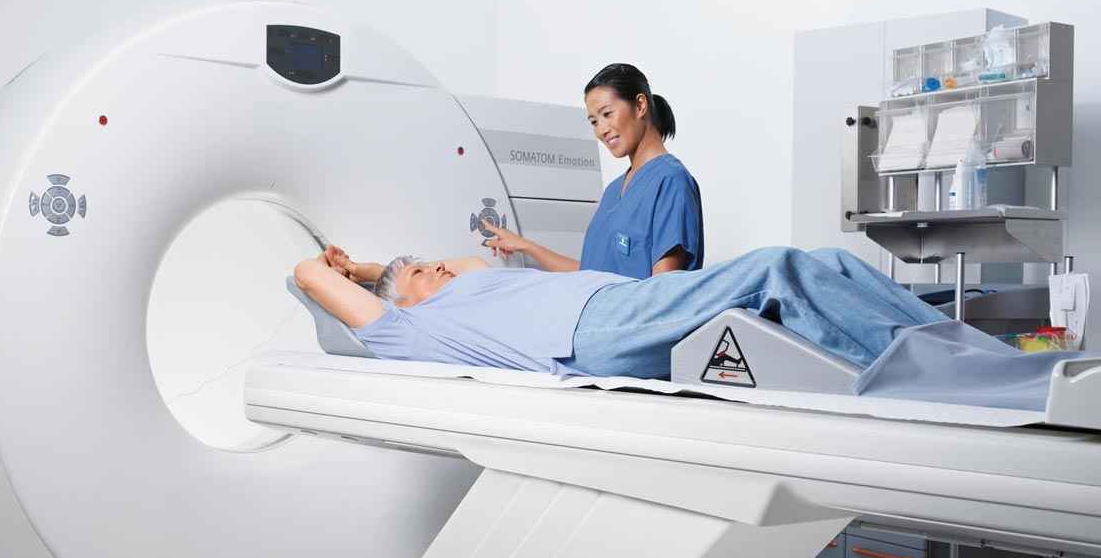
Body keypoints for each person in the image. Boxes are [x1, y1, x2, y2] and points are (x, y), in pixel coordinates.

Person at [294, 245, 946, 379]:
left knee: (827, 263)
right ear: (399, 301)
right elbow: (307, 274)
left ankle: (957, 349)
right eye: (418, 272)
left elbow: (460, 262)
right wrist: (351, 273)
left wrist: (388, 268)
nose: (436, 267)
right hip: (591, 327)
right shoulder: (412, 330)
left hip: (611, 307)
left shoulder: (472, 284)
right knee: (780, 270)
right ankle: (935, 373)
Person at [482, 63, 703, 278]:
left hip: (623, 306)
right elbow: (590, 274)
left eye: (607, 114)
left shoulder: (671, 182)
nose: (602, 130)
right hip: (592, 301)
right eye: (594, 122)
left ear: (640, 105)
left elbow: (663, 290)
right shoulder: (613, 190)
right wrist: (525, 246)